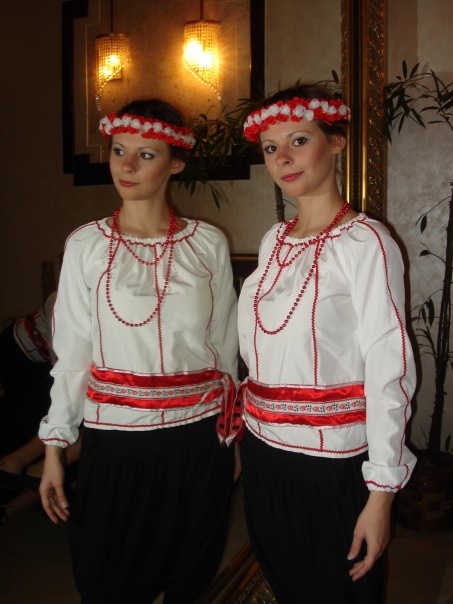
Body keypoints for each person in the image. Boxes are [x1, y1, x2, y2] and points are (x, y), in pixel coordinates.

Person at [38, 99, 239, 603]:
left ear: (176, 163)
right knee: (108, 579)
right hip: (119, 443)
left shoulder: (207, 243)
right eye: (118, 151)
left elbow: (225, 347)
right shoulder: (86, 246)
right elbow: (72, 354)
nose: (126, 166)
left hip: (199, 440)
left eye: (145, 155)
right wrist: (55, 448)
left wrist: (232, 437)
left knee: (190, 577)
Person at [235, 83, 417, 603]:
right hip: (264, 455)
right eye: (271, 148)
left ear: (335, 142)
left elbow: (389, 367)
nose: (283, 159)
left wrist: (381, 496)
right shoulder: (273, 241)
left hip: (331, 464)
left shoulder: (367, 242)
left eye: (299, 141)